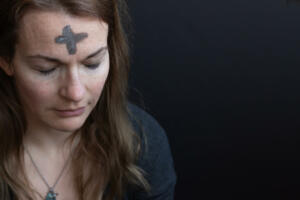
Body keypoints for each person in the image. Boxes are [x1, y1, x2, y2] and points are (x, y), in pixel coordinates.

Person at [0, 0, 176, 199]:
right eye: (46, 69)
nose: (75, 93)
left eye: (92, 64)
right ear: (6, 59)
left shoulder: (144, 145)